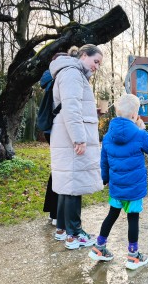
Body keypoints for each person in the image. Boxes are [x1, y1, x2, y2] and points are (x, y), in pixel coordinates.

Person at [88, 94, 148, 270]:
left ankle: (99, 247)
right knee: (132, 218)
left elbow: (103, 160)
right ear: (135, 115)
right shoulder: (138, 134)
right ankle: (133, 256)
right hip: (133, 189)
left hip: (116, 187)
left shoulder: (108, 136)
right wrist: (143, 130)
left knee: (112, 214)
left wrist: (105, 179)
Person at [49, 44, 104, 250]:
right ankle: (75, 234)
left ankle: (62, 229)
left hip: (66, 134)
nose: (97, 66)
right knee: (73, 185)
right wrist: (79, 139)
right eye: (95, 61)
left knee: (67, 184)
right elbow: (71, 108)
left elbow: (74, 106)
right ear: (83, 55)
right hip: (71, 137)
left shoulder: (70, 73)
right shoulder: (72, 73)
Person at [40, 69, 58, 226]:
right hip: (56, 130)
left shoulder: (49, 80)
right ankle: (55, 213)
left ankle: (53, 212)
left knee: (57, 170)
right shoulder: (58, 80)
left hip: (49, 129)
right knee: (61, 171)